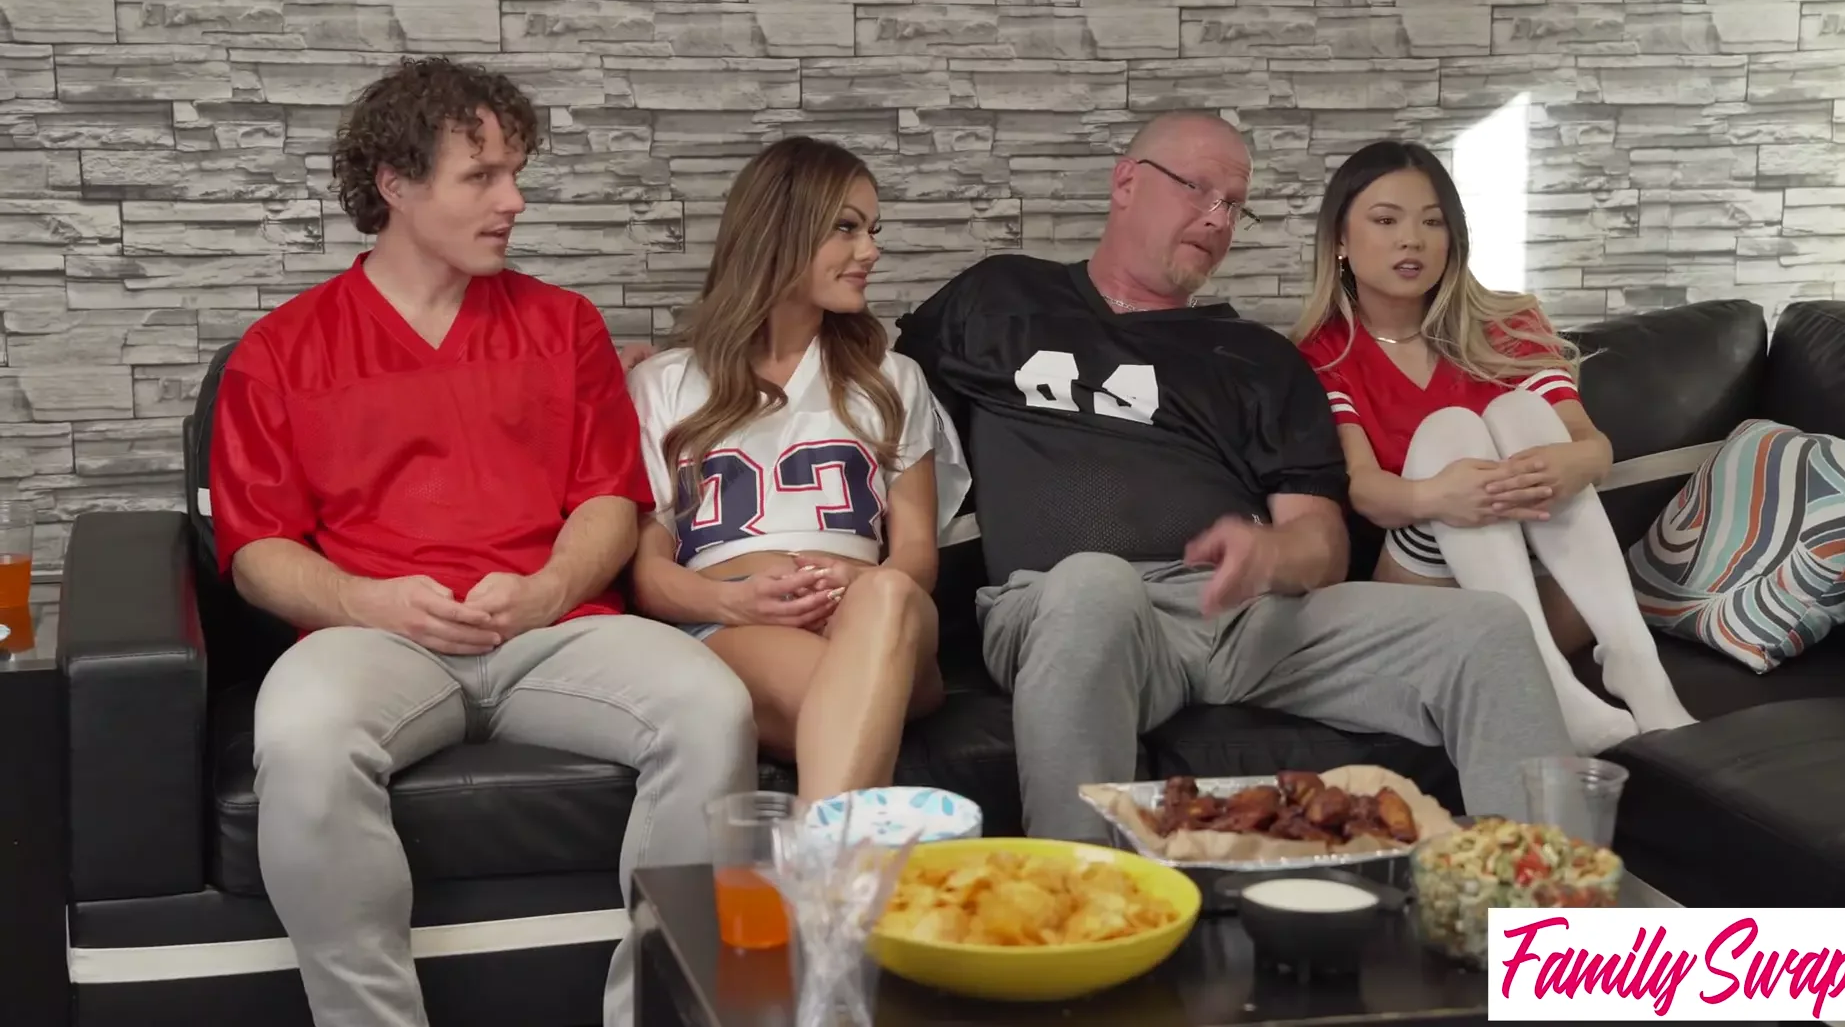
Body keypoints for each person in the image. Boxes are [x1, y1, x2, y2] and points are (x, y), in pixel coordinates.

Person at [206, 56, 756, 1027]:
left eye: (515, 173)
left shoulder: (564, 325)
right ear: (396, 184)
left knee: (711, 707)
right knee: (301, 738)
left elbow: (609, 503)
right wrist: (364, 600)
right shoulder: (281, 351)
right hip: (375, 640)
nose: (514, 200)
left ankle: (660, 1013)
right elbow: (258, 553)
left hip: (556, 631)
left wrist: (547, 590)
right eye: (483, 177)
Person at [892, 110, 1578, 844]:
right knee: (1095, 583)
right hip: (1067, 606)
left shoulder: (1257, 358)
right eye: (1198, 190)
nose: (1218, 219)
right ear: (1126, 183)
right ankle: (1079, 899)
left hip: (1244, 617)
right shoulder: (1000, 297)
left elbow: (1320, 541)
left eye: (1233, 205)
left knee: (1489, 629)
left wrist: (1273, 553)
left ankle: (1545, 902)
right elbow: (866, 388)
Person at [1289, 140, 1695, 754]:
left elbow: (1592, 445)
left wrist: (1571, 462)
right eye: (1386, 220)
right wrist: (1437, 496)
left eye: (1433, 223)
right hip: (1420, 591)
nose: (1412, 240)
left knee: (1520, 410)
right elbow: (1365, 490)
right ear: (1340, 239)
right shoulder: (1325, 352)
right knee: (1451, 430)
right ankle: (1546, 685)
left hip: (1545, 581)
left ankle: (1634, 660)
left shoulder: (1507, 322)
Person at [628, 137, 968, 803]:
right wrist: (733, 601)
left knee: (889, 596)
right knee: (848, 698)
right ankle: (838, 857)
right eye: (847, 227)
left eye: (872, 231)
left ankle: (821, 862)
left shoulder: (892, 379)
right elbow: (647, 575)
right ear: (778, 230)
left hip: (876, 612)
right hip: (735, 620)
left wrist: (856, 580)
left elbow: (917, 558)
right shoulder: (666, 383)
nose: (870, 251)